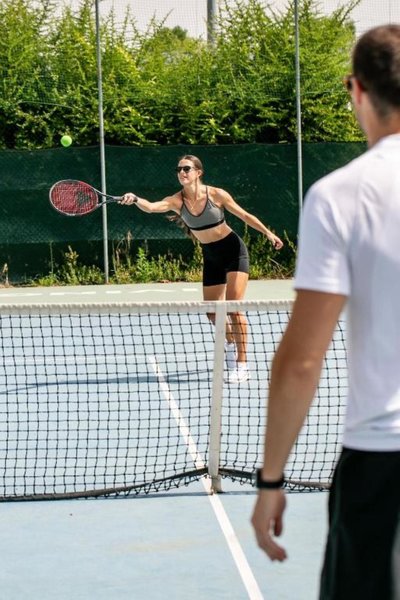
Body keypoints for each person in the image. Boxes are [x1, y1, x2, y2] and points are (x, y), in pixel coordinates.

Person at [251, 24, 400, 600]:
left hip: (382, 472)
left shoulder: (340, 196)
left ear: (355, 89)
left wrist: (271, 479)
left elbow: (301, 361)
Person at [121, 154, 283, 383]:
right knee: (212, 312)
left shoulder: (216, 194)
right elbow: (151, 207)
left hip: (233, 251)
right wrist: (136, 199)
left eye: (186, 168)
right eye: (179, 169)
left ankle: (242, 365)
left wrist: (268, 233)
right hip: (211, 256)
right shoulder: (176, 201)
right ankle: (230, 343)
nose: (182, 172)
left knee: (234, 308)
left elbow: (245, 215)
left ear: (198, 172)